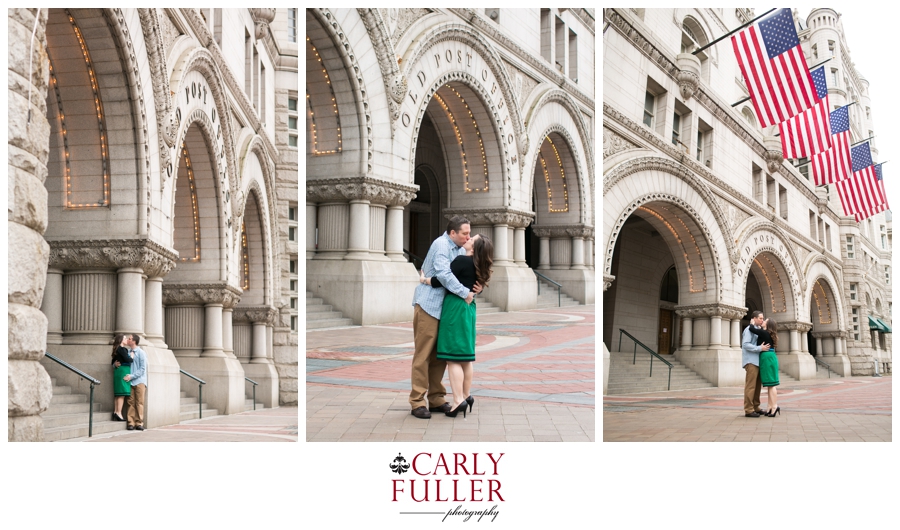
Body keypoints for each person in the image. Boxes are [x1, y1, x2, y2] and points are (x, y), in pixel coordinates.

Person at [408, 216, 482, 419]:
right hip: (429, 306)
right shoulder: (441, 245)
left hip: (448, 310)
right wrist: (466, 293)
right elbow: (444, 276)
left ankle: (437, 398)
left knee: (440, 357)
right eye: (465, 233)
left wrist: (477, 289)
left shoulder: (460, 249)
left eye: (469, 233)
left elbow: (468, 275)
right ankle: (417, 402)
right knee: (423, 356)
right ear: (452, 233)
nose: (468, 236)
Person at [420, 234, 494, 418]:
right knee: (465, 358)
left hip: (455, 307)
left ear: (474, 248)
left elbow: (442, 280)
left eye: (472, 240)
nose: (468, 239)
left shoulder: (461, 260)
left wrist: (424, 279)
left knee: (452, 357)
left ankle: (457, 400)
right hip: (470, 308)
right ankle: (466, 395)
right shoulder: (480, 266)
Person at [747, 318, 781, 417]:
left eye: (765, 320)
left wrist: (752, 323)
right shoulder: (767, 333)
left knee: (772, 384)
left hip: (767, 358)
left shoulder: (764, 333)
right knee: (770, 384)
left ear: (768, 324)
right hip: (768, 357)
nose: (763, 321)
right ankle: (770, 407)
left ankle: (774, 406)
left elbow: (752, 330)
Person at [741, 311, 771, 417]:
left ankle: (756, 407)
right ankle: (748, 409)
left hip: (758, 361)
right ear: (754, 318)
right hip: (751, 361)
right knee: (751, 386)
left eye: (763, 319)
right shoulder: (749, 330)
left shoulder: (757, 330)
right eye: (760, 318)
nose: (762, 320)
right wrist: (759, 348)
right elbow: (745, 344)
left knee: (757, 386)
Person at [124, 334, 148, 431]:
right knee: (130, 402)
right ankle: (131, 423)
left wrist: (132, 376)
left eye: (129, 339)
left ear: (134, 341)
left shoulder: (141, 353)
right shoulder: (127, 352)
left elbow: (142, 369)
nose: (128, 340)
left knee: (140, 403)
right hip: (129, 381)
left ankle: (139, 423)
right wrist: (115, 365)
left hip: (139, 381)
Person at [110, 334, 131, 421]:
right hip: (123, 371)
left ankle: (116, 412)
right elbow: (128, 359)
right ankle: (119, 413)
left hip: (118, 372)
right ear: (121, 340)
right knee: (121, 394)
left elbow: (112, 362)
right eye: (125, 338)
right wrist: (132, 357)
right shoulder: (122, 349)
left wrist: (114, 364)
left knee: (118, 394)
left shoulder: (117, 349)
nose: (127, 340)